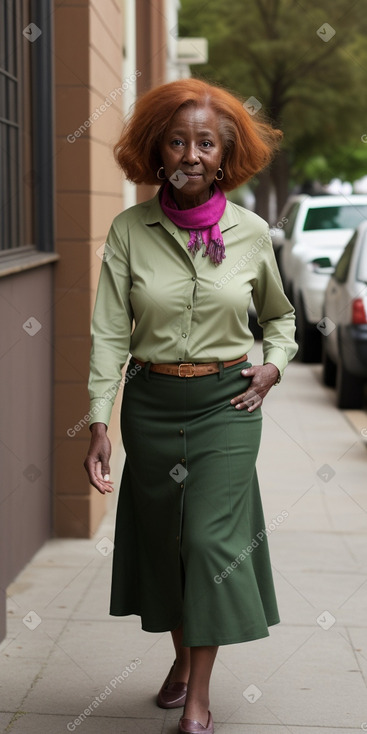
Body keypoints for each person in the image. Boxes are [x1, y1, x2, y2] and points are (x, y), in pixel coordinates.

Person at [84, 78, 298, 734]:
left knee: (207, 541)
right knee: (169, 543)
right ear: (157, 150)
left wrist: (271, 368)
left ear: (224, 153)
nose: (191, 154)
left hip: (226, 405)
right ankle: (180, 663)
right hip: (150, 405)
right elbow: (108, 333)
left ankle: (198, 697)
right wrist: (99, 420)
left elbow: (281, 321)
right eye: (177, 141)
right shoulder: (129, 231)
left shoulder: (252, 234)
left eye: (206, 142)